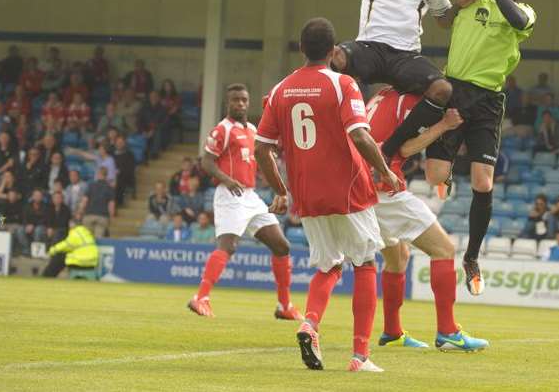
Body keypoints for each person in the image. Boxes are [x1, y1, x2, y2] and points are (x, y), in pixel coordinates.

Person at [407, 0, 537, 296]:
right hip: (454, 90)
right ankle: (445, 177)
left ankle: (472, 257)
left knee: (484, 182)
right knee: (435, 176)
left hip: (488, 100)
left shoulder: (523, 10)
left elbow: (515, 18)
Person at [242, 0, 453, 165]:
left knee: (443, 90)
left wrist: (461, 3)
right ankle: (318, 124)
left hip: (406, 57)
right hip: (369, 48)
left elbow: (443, 19)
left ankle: (388, 149)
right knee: (335, 56)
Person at [254, 18, 400, 372]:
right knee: (365, 263)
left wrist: (281, 191)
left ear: (301, 48)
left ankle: (310, 323)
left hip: (308, 195)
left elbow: (261, 149)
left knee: (329, 264)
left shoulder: (280, 90)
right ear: (335, 52)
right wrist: (384, 171)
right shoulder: (342, 84)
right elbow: (362, 137)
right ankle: (359, 356)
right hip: (347, 189)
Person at [364, 85, 487, 351]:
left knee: (398, 258)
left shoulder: (381, 94)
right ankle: (448, 332)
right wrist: (444, 124)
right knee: (444, 249)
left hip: (362, 187)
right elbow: (405, 149)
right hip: (385, 190)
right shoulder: (410, 101)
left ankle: (392, 332)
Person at [188, 84, 302, 325]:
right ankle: (200, 298)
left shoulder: (251, 129)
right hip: (229, 194)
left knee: (282, 246)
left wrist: (279, 189)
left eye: (243, 100)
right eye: (235, 100)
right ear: (227, 103)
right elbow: (206, 162)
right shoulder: (222, 130)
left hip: (250, 196)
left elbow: (262, 160)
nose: (240, 104)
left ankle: (285, 305)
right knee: (228, 246)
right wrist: (227, 180)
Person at [78, 167, 116, 239]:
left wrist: (80, 211)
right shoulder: (109, 188)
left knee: (87, 238)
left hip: (89, 215)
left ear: (98, 174)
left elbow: (84, 201)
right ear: (106, 175)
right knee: (99, 239)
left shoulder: (91, 186)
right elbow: (111, 205)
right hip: (102, 217)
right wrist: (111, 217)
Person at [17, 189, 47, 255]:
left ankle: (36, 251)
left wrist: (33, 225)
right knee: (20, 230)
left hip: (41, 226)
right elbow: (24, 218)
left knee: (38, 230)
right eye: (35, 195)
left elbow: (45, 219)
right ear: (32, 196)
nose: (37, 197)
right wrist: (27, 225)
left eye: (39, 195)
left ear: (42, 197)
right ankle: (26, 250)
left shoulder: (46, 206)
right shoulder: (27, 206)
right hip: (28, 226)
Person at [113, 135, 136, 207]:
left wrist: (119, 171)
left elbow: (130, 169)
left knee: (119, 181)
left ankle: (117, 204)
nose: (119, 144)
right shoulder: (111, 154)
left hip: (124, 177)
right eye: (118, 142)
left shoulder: (129, 155)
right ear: (115, 143)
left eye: (121, 142)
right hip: (112, 176)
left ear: (124, 143)